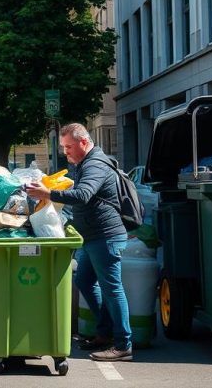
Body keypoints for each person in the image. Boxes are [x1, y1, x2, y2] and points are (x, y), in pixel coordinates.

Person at [25, 122, 132, 362]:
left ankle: (124, 344)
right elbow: (82, 191)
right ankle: (104, 333)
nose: (66, 152)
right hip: (92, 237)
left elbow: (83, 194)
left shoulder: (94, 163)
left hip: (106, 236)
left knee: (113, 290)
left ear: (84, 142)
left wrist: (48, 194)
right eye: (63, 147)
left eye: (69, 147)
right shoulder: (85, 162)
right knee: (84, 281)